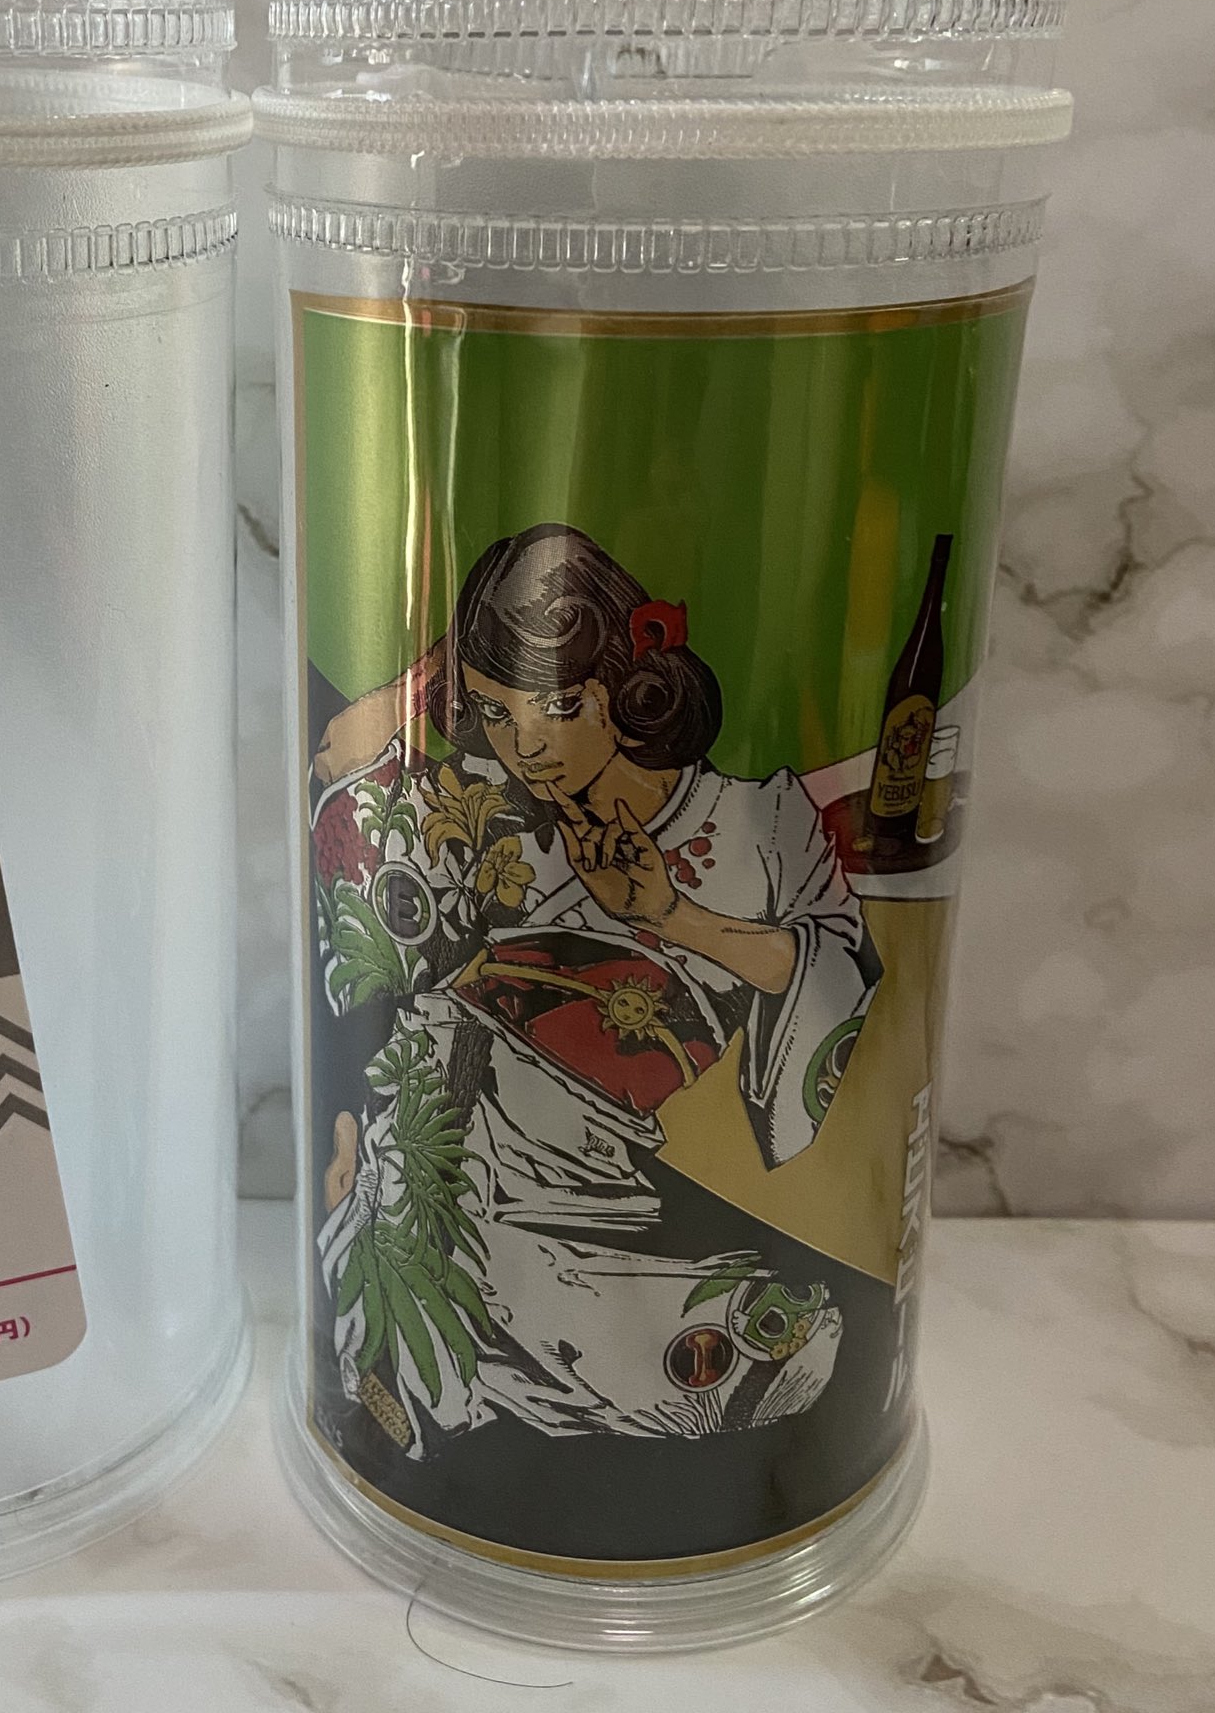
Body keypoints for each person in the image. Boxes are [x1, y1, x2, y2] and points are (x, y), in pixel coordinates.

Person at [311, 523, 880, 1450]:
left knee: (628, 1336)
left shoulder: (760, 818)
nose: (524, 743)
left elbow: (840, 973)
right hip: (431, 1109)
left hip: (576, 1151)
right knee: (410, 1294)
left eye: (557, 703)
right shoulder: (483, 798)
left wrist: (669, 915)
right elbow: (339, 773)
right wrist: (424, 678)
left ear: (627, 683)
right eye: (494, 713)